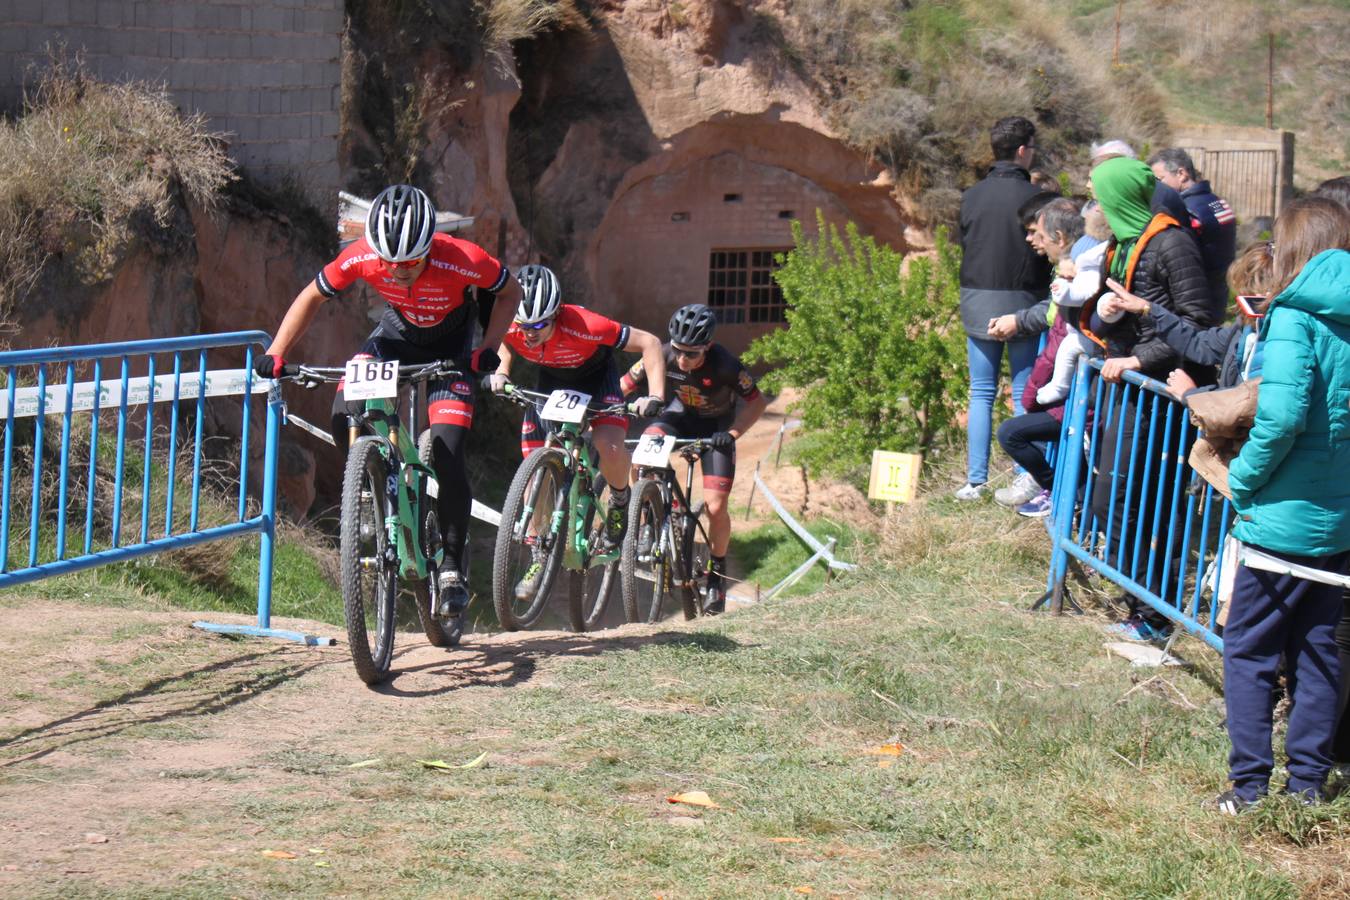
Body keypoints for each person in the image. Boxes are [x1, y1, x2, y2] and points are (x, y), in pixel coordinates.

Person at [255, 184, 522, 620]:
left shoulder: (462, 256)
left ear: (429, 249)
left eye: (410, 263)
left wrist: (488, 348)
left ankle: (453, 565)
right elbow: (311, 295)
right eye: (389, 263)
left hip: (453, 348)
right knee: (344, 412)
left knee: (449, 451)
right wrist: (277, 352)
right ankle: (370, 485)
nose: (397, 272)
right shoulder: (359, 255)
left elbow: (510, 293)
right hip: (395, 338)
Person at [1211, 197, 1350, 813]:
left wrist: (1242, 478)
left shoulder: (1294, 314)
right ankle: (1307, 789)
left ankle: (1248, 789)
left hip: (1280, 520)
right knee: (1320, 653)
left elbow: (1284, 416)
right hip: (1338, 519)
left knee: (1250, 653)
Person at [1083, 157, 1215, 642]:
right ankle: (1136, 601)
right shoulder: (1122, 245)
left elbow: (1197, 322)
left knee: (1149, 505)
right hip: (1130, 390)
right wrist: (1107, 311)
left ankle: (1156, 615)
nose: (1095, 205)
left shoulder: (1173, 244)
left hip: (1161, 394)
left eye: (1099, 195)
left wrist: (1139, 362)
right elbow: (1108, 320)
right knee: (1110, 501)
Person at [485, 265, 666, 567]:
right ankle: (538, 555)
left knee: (608, 446)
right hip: (553, 383)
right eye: (523, 325)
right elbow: (502, 341)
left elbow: (650, 342)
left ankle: (620, 499)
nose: (528, 333)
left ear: (556, 314)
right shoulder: (513, 323)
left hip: (597, 380)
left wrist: (656, 396)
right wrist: (502, 372)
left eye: (538, 325)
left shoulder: (586, 324)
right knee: (537, 467)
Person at [621, 304, 768, 614]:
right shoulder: (661, 353)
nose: (683, 360)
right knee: (641, 455)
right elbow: (625, 383)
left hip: (717, 430)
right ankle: (648, 519)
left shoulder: (725, 365)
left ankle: (716, 574)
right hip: (680, 418)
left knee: (715, 507)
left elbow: (757, 403)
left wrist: (733, 433)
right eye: (679, 352)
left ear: (708, 347)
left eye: (692, 354)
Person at [955, 116, 1053, 500]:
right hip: (1025, 301)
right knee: (1024, 389)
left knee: (980, 390)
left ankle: (974, 481)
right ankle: (1023, 476)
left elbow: (966, 245)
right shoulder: (1036, 199)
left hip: (976, 297)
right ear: (1023, 150)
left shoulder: (970, 196)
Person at [993, 198, 1101, 514]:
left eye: (1039, 234)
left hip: (1078, 395)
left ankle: (1062, 496)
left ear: (1060, 238)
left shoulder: (1076, 279)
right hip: (1064, 390)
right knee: (1030, 433)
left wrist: (1036, 394)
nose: (1034, 242)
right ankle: (1060, 494)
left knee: (1013, 433)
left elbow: (1059, 341)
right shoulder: (1066, 275)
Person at [1148, 148, 1238, 320]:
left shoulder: (1186, 211)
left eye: (1159, 180)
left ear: (1181, 174)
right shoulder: (1217, 202)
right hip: (1218, 292)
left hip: (1194, 301)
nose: (1156, 188)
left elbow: (1179, 258)